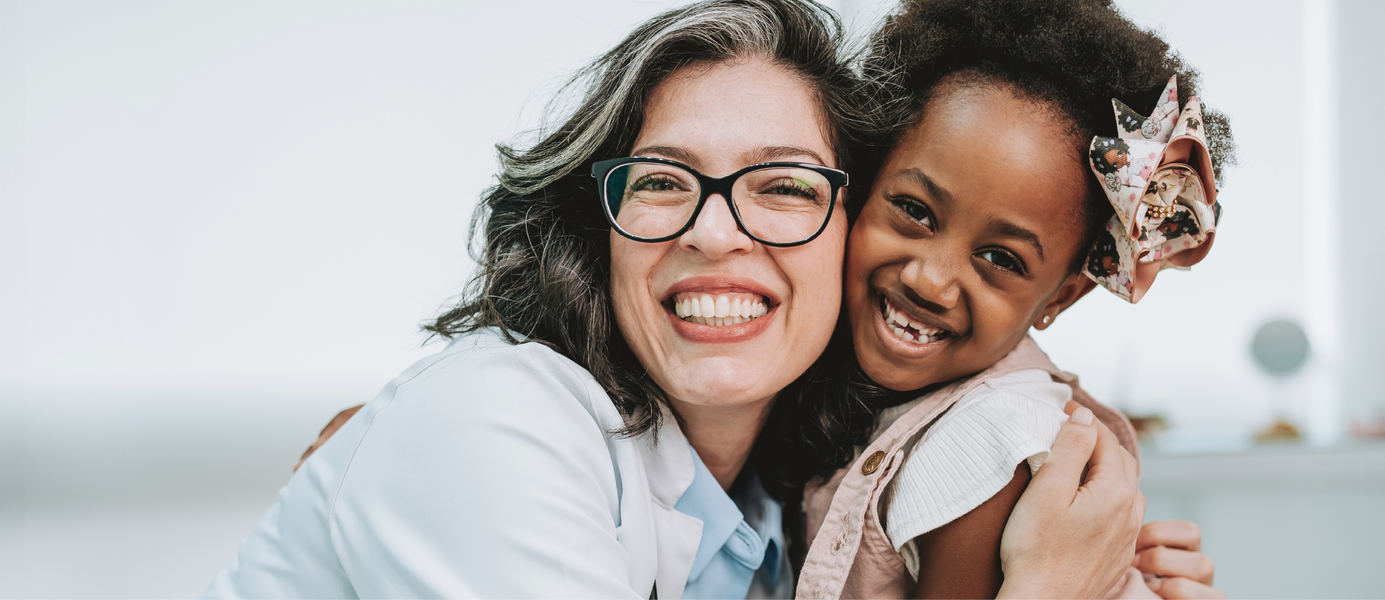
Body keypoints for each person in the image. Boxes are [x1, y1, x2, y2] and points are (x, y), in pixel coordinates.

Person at [201, 1, 1145, 599]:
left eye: (782, 187)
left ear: (841, 228)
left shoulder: (785, 512)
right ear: (595, 226)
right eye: (661, 181)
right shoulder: (490, 421)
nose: (716, 232)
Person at [794, 1, 1231, 599]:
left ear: (1061, 297)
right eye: (916, 211)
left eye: (1002, 259)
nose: (930, 280)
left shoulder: (986, 444)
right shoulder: (827, 382)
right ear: (866, 184)